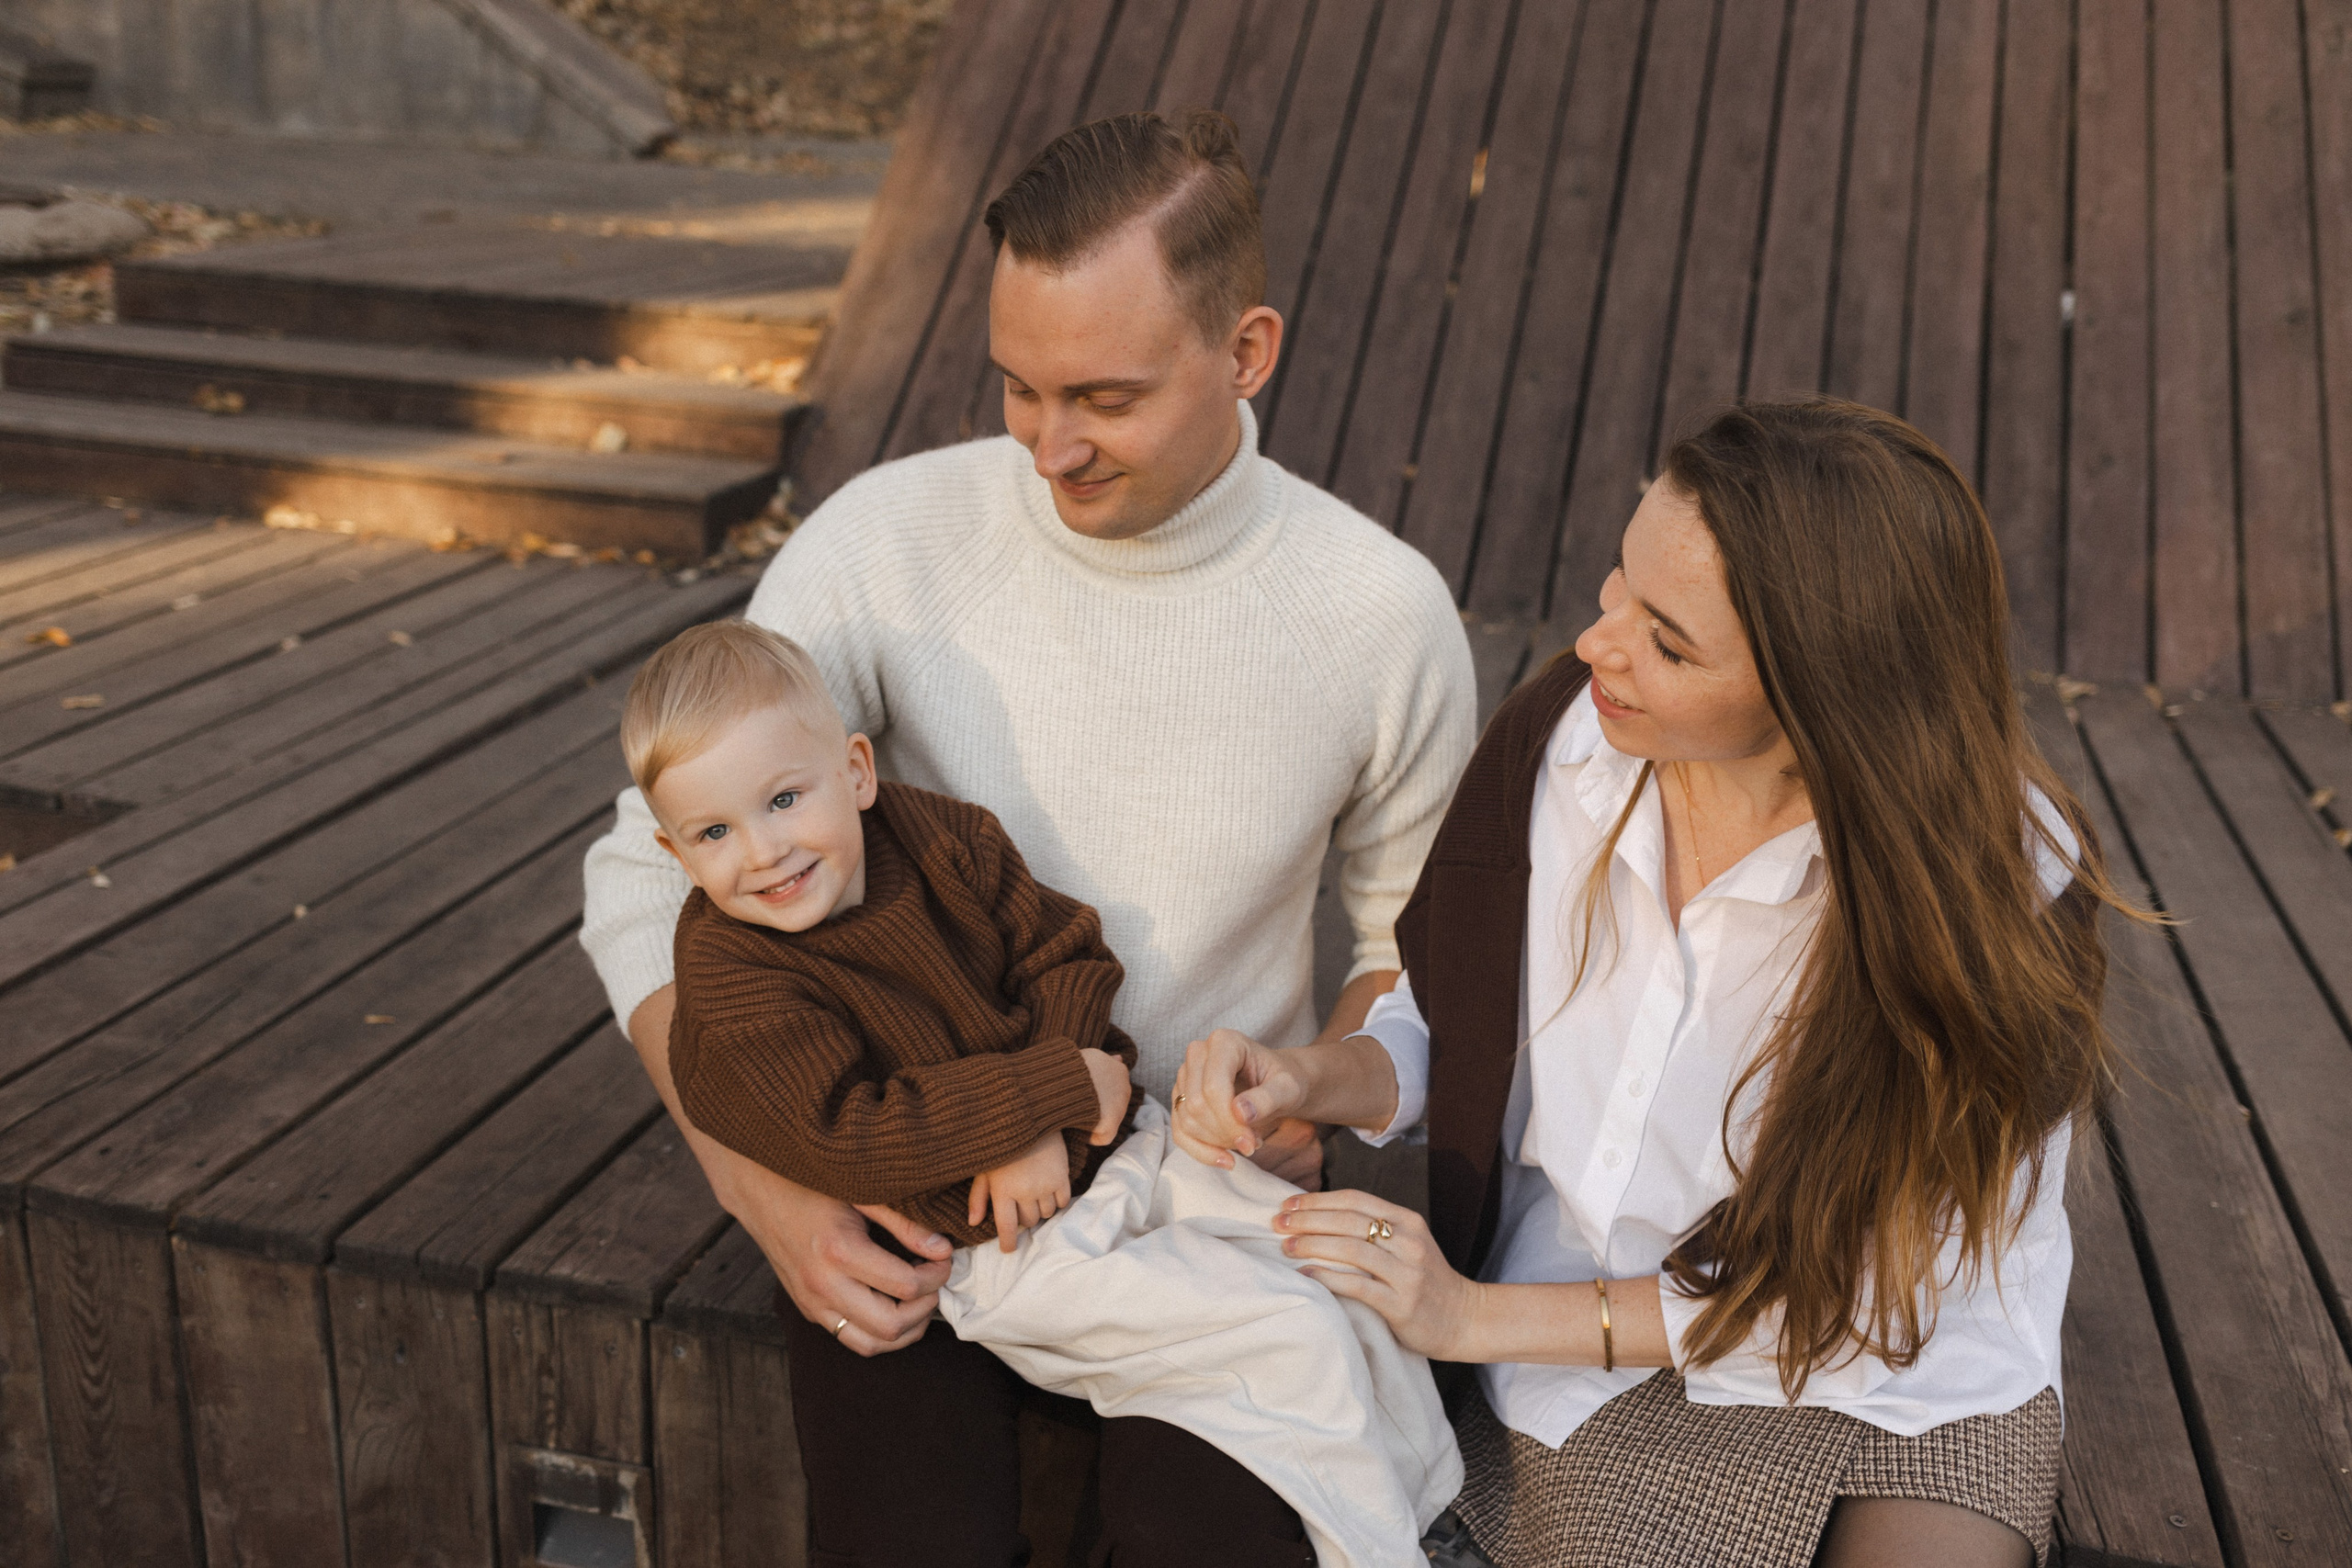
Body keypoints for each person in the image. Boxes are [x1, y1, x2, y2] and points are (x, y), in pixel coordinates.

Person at [580, 108, 1476, 1565]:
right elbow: (641, 859)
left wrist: (1320, 1076)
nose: (1051, 447)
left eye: (1105, 399)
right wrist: (770, 1187)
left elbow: (1402, 942)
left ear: (1247, 354)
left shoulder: (1381, 615)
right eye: (1018, 388)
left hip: (1194, 1184)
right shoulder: (886, 542)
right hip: (910, 1172)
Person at [1173, 398, 2138, 1568]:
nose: (1599, 646)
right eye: (1615, 587)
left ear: (1827, 703)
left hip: (1902, 1367)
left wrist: (1467, 1316)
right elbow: (1460, 1018)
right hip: (1591, 1352)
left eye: (1669, 643)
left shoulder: (2003, 897)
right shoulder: (1563, 745)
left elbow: (1854, 1301)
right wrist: (1311, 1077)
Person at [628, 619, 1460, 1568]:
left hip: (1120, 1147)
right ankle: (1384, 1552)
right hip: (990, 1245)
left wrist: (1053, 1113)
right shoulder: (735, 975)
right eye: (714, 833)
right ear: (673, 850)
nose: (764, 851)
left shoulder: (937, 836)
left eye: (783, 799)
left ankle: (1429, 1500)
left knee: (1325, 1268)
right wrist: (1050, 1090)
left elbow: (1064, 955)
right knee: (1284, 1335)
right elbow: (855, 1137)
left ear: (855, 772)